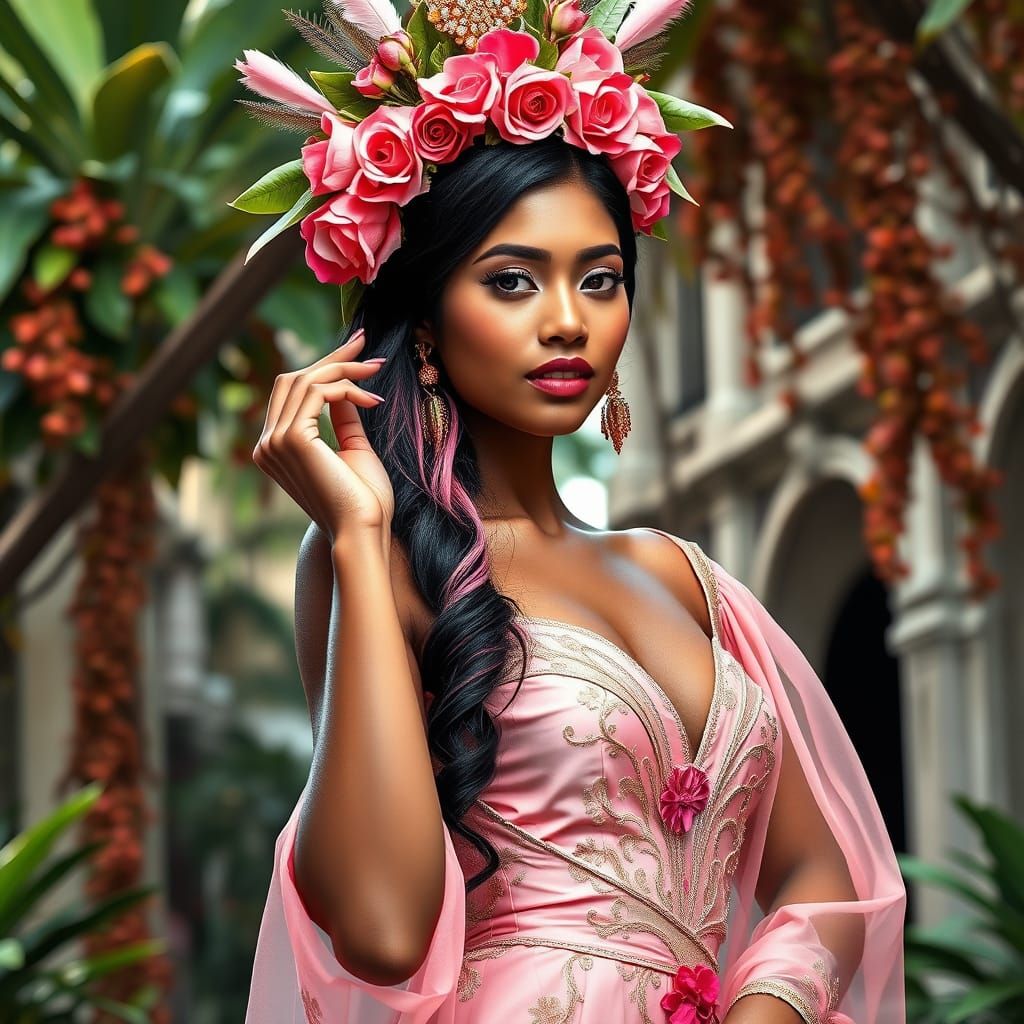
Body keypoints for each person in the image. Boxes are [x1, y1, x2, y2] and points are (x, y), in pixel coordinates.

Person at [236, 4, 907, 1022]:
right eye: (512, 281)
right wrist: (360, 539)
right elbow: (380, 932)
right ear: (426, 320)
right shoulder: (379, 557)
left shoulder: (687, 578)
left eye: (600, 279)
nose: (566, 321)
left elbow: (826, 875)